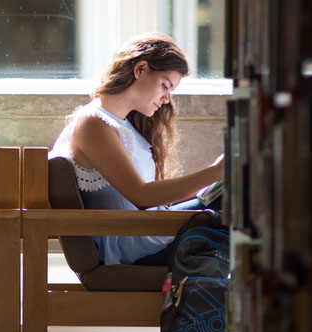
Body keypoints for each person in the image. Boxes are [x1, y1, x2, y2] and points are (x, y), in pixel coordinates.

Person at [49, 32, 223, 266]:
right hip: (133, 248)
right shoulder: (94, 123)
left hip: (148, 234)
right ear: (140, 69)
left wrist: (213, 185)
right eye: (164, 86)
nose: (165, 99)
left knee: (231, 194)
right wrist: (215, 171)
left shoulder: (125, 126)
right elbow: (142, 196)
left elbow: (153, 202)